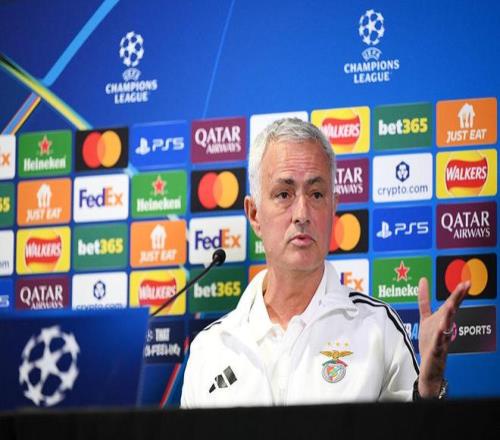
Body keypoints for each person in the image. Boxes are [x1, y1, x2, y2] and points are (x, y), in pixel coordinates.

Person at [181, 118, 469, 407]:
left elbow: (414, 429)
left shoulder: (379, 328)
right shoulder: (211, 348)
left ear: (333, 208)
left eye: (316, 194)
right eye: (284, 194)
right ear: (254, 214)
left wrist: (428, 391)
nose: (302, 214)